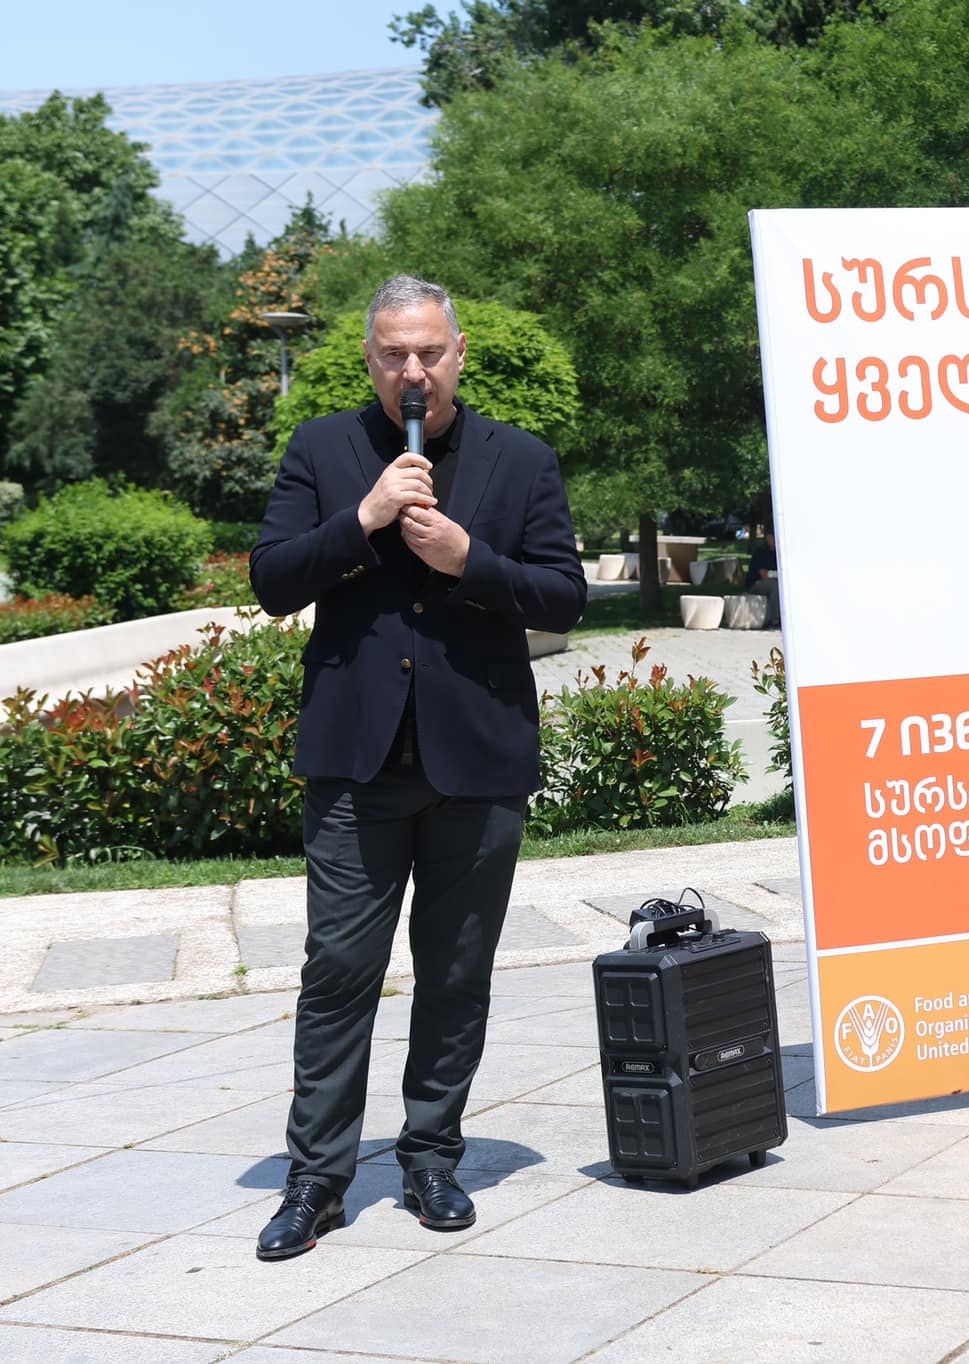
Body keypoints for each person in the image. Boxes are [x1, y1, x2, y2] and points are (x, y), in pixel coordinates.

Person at [247, 275, 586, 1261]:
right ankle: (316, 1179)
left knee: (456, 972)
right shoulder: (322, 449)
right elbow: (271, 581)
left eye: (429, 352)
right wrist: (362, 518)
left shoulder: (521, 459)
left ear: (458, 353)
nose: (413, 370)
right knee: (338, 971)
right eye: (394, 353)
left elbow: (563, 596)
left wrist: (468, 558)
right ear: (369, 360)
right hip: (355, 765)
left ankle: (432, 1156)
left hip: (476, 758)